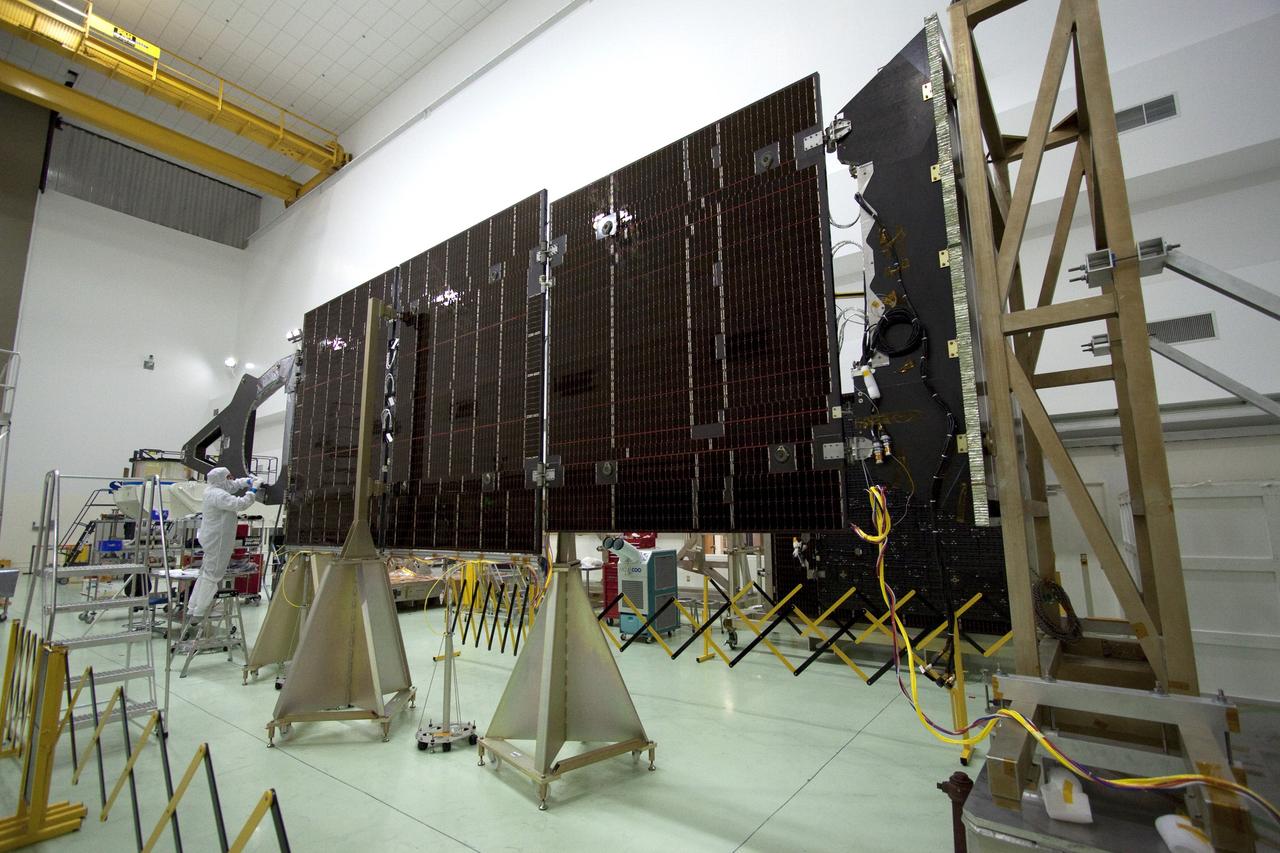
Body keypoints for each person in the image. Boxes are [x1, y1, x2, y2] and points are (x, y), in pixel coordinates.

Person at [187, 467, 257, 626]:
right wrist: (253, 490)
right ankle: (199, 613)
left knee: (205, 573)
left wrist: (246, 481)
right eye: (228, 477)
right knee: (212, 576)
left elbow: (231, 486)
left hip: (212, 538)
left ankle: (192, 607)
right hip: (218, 541)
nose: (231, 479)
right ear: (221, 479)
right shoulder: (218, 495)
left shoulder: (214, 489)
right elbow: (240, 504)